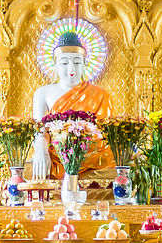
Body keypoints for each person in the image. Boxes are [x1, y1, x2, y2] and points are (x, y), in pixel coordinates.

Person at [30, 29, 115, 180]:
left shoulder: (101, 95)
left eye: (77, 62)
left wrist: (79, 149)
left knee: (117, 169)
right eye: (64, 62)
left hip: (90, 158)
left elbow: (106, 138)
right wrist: (41, 152)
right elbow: (40, 132)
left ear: (84, 64)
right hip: (56, 157)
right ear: (55, 65)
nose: (71, 68)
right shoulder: (42, 93)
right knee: (30, 168)